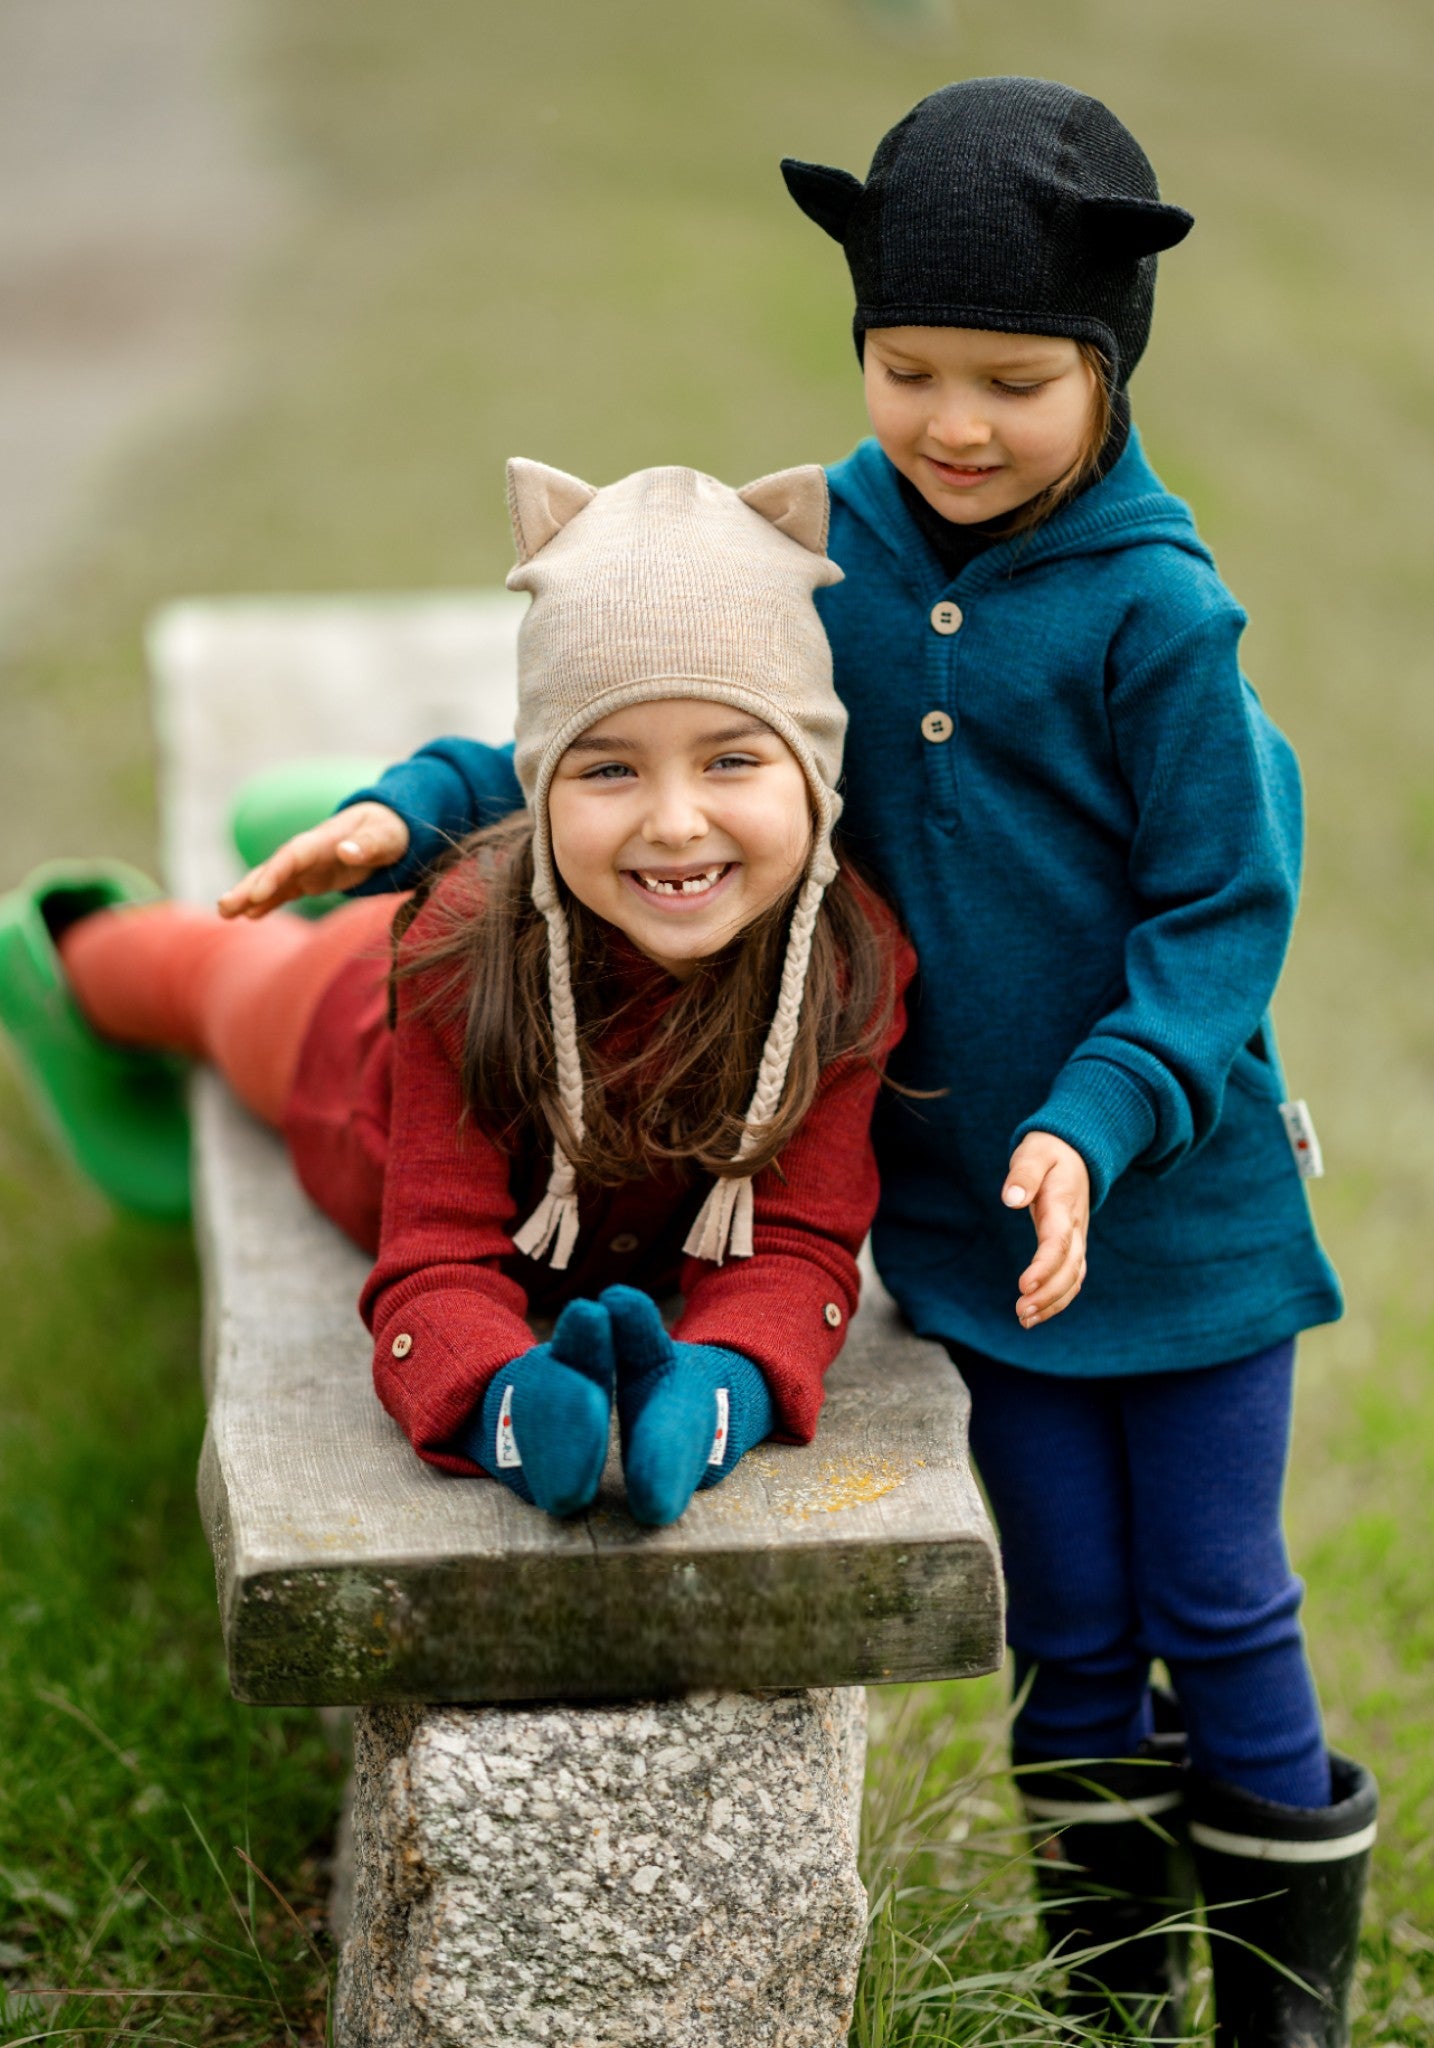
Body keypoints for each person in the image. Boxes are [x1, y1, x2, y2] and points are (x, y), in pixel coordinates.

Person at [214, 78, 1378, 2046]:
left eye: (1014, 379)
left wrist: (1100, 1117)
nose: (952, 424)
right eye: (906, 368)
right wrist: (405, 810)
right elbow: (620, 675)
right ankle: (1103, 1995)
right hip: (957, 1222)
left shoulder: (1160, 622)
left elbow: (1215, 925)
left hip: (1169, 1221)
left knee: (1218, 1599)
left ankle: (1281, 2011)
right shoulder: (829, 535)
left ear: (1108, 367)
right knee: (1069, 1623)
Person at [0, 459, 914, 1530]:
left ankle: (382, 821)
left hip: (526, 900)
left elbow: (798, 1244)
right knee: (217, 973)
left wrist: (729, 1379)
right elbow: (434, 1261)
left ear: (812, 773)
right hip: (343, 1037)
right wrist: (503, 1400)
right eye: (609, 769)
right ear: (543, 787)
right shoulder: (459, 945)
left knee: (396, 856)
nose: (675, 821)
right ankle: (62, 947)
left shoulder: (844, 963)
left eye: (731, 761)